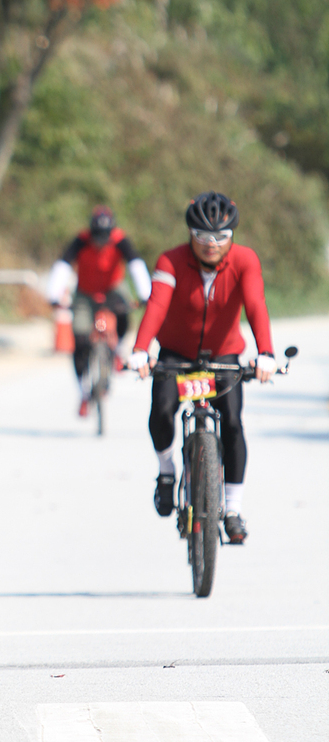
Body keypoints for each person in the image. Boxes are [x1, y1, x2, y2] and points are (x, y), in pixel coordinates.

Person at [128, 191, 275, 544]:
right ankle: (166, 471)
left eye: (221, 237)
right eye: (202, 236)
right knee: (162, 411)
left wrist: (266, 353)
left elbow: (255, 303)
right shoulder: (170, 261)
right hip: (176, 354)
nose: (212, 245)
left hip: (224, 355)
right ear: (189, 234)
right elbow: (156, 304)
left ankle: (233, 508)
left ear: (232, 236)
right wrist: (140, 349)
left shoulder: (245, 260)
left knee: (234, 423)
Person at [46, 206, 152, 415]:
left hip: (113, 288)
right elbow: (63, 265)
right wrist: (54, 294)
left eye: (104, 237)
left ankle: (117, 350)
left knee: (124, 314)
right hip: (85, 292)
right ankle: (83, 391)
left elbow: (135, 264)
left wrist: (144, 293)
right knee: (80, 338)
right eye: (97, 237)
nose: (100, 242)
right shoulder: (81, 240)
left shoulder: (120, 240)